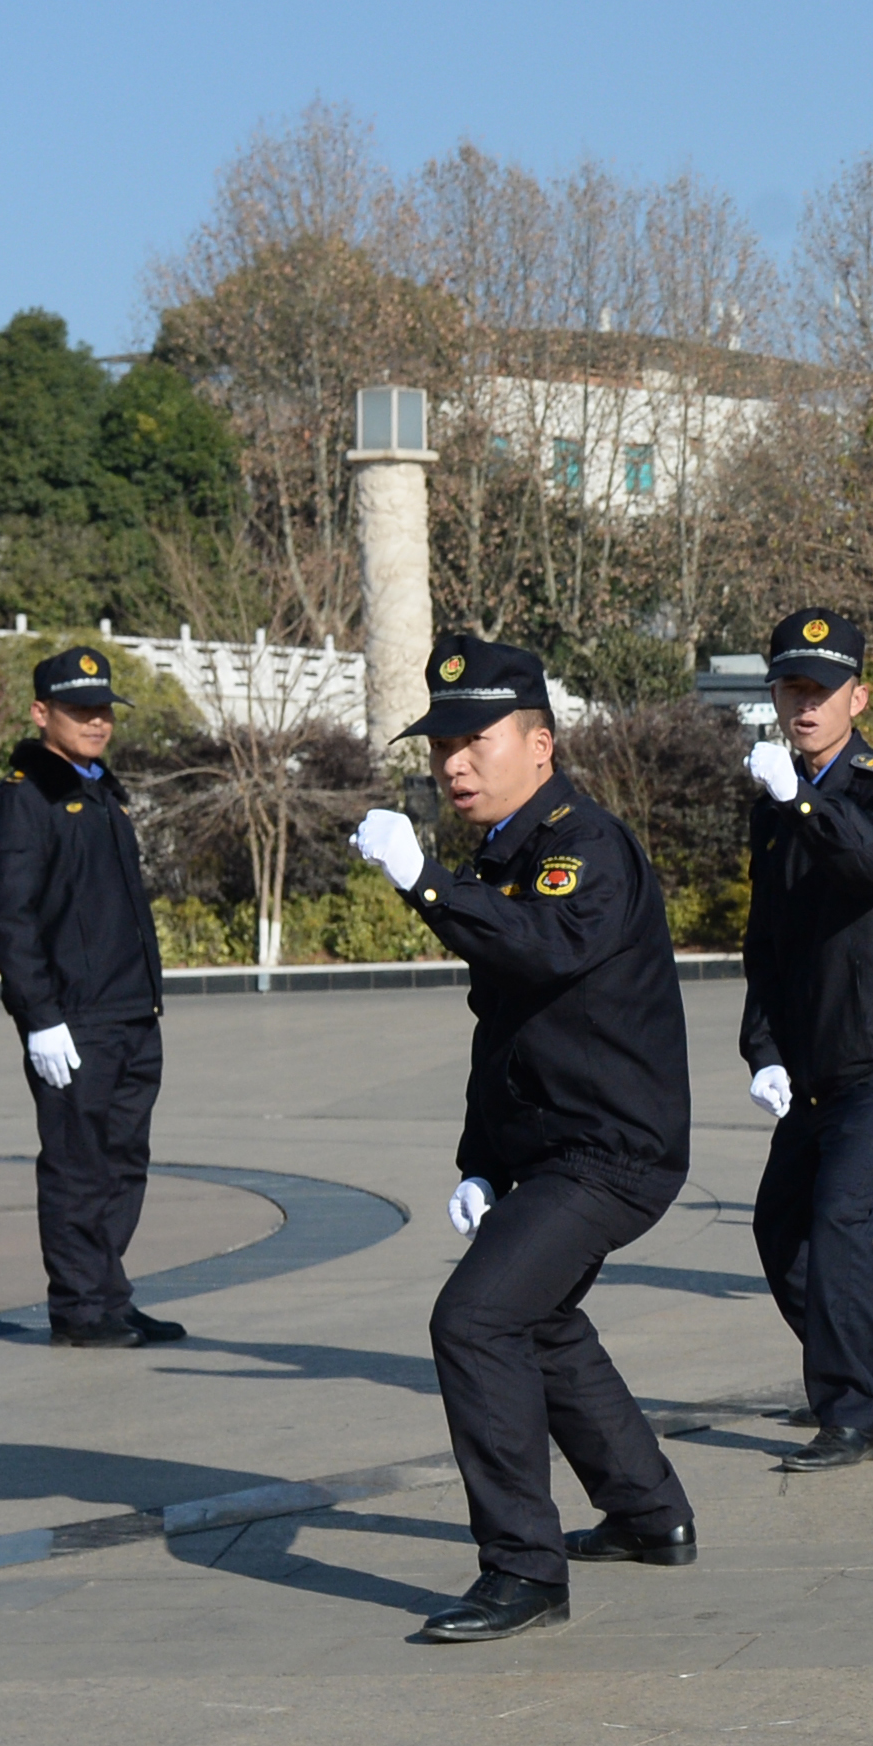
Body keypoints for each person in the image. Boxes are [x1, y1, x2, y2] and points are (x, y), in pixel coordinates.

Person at [350, 638, 698, 1641]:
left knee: (475, 1320)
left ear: (539, 743)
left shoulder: (579, 845)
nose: (451, 762)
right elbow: (504, 1026)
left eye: (473, 739)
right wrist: (478, 1156)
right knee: (536, 1317)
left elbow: (542, 951)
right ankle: (648, 1511)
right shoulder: (504, 855)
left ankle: (522, 1569)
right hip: (552, 1148)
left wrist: (422, 882)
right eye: (439, 744)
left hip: (613, 1150)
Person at [736, 607, 873, 1470]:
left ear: (859, 695)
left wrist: (805, 800)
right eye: (791, 689)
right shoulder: (775, 804)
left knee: (839, 1215)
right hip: (813, 1059)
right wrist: (764, 1049)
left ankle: (854, 1414)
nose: (805, 706)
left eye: (821, 690)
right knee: (778, 1230)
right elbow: (767, 939)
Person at [0, 645, 184, 1351]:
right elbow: (8, 917)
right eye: (78, 710)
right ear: (42, 713)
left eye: (103, 710)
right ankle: (79, 1309)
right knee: (76, 1165)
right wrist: (38, 1019)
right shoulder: (23, 799)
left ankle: (108, 1296)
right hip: (74, 1021)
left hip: (129, 1014)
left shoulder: (101, 791)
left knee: (122, 1163)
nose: (96, 722)